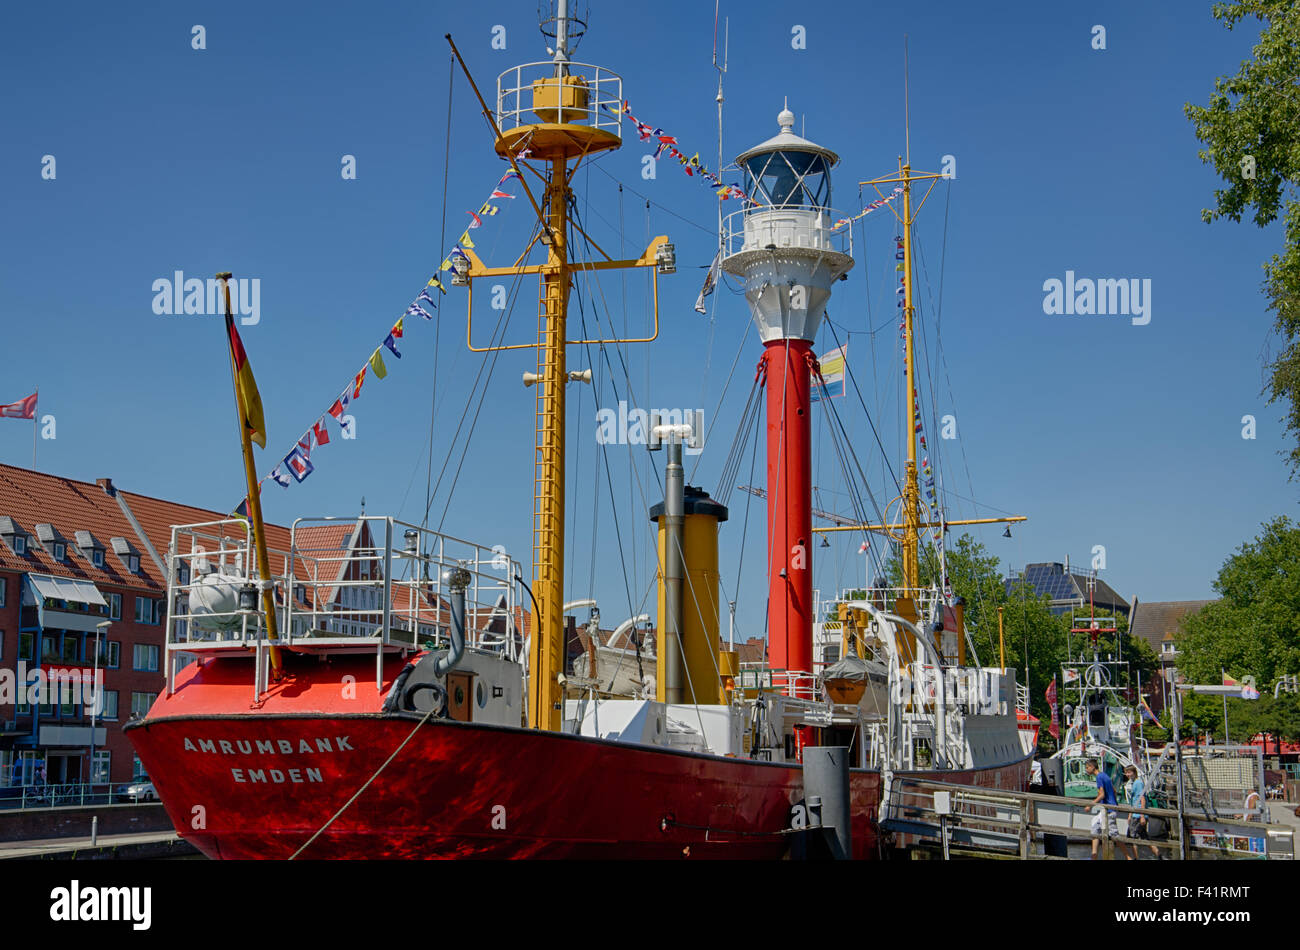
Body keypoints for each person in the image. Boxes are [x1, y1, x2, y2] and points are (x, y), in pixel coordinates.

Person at [1122, 764, 1161, 860]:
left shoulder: (1138, 783)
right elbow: (1133, 801)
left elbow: (1142, 798)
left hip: (1138, 814)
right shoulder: (1134, 783)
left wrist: (1142, 815)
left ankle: (1135, 858)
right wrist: (1129, 815)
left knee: (1132, 838)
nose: (1127, 774)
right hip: (1135, 813)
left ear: (1134, 772)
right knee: (1145, 838)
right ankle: (1159, 856)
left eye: (1129, 772)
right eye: (1126, 772)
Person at [1085, 758, 1118, 859]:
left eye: (1087, 768)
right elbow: (1114, 790)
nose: (1086, 770)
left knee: (1114, 836)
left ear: (1092, 767)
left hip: (1109, 810)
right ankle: (1093, 856)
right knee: (1095, 827)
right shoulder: (1105, 775)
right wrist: (1115, 803)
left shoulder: (1099, 777)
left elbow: (1102, 795)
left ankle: (1128, 857)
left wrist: (1090, 805)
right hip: (1107, 809)